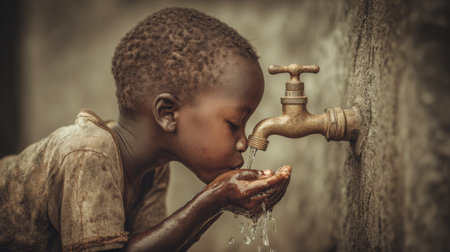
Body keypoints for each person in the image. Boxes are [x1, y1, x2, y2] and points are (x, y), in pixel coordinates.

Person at [0, 7, 291, 251]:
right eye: (233, 124)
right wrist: (212, 199)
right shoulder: (89, 153)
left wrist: (218, 201)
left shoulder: (152, 169)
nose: (243, 142)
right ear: (167, 113)